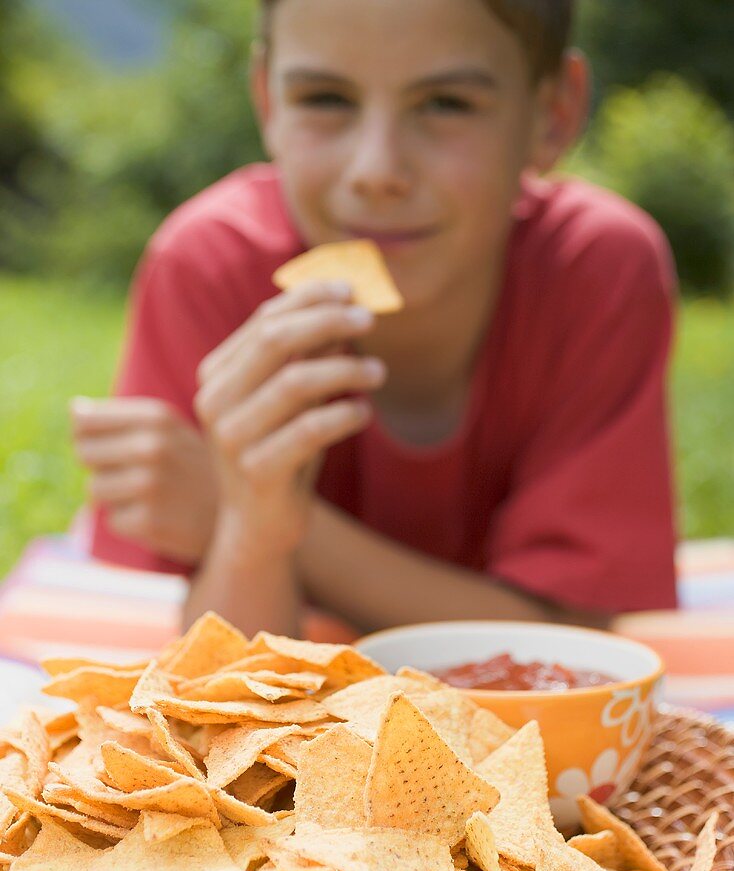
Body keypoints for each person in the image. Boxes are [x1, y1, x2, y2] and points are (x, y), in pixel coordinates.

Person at [71, 0, 679, 642]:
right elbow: (224, 682)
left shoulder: (598, 268)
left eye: (447, 104)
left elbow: (571, 647)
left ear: (552, 115)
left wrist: (257, 514)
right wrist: (253, 534)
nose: (377, 172)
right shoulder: (209, 265)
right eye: (326, 98)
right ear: (268, 103)